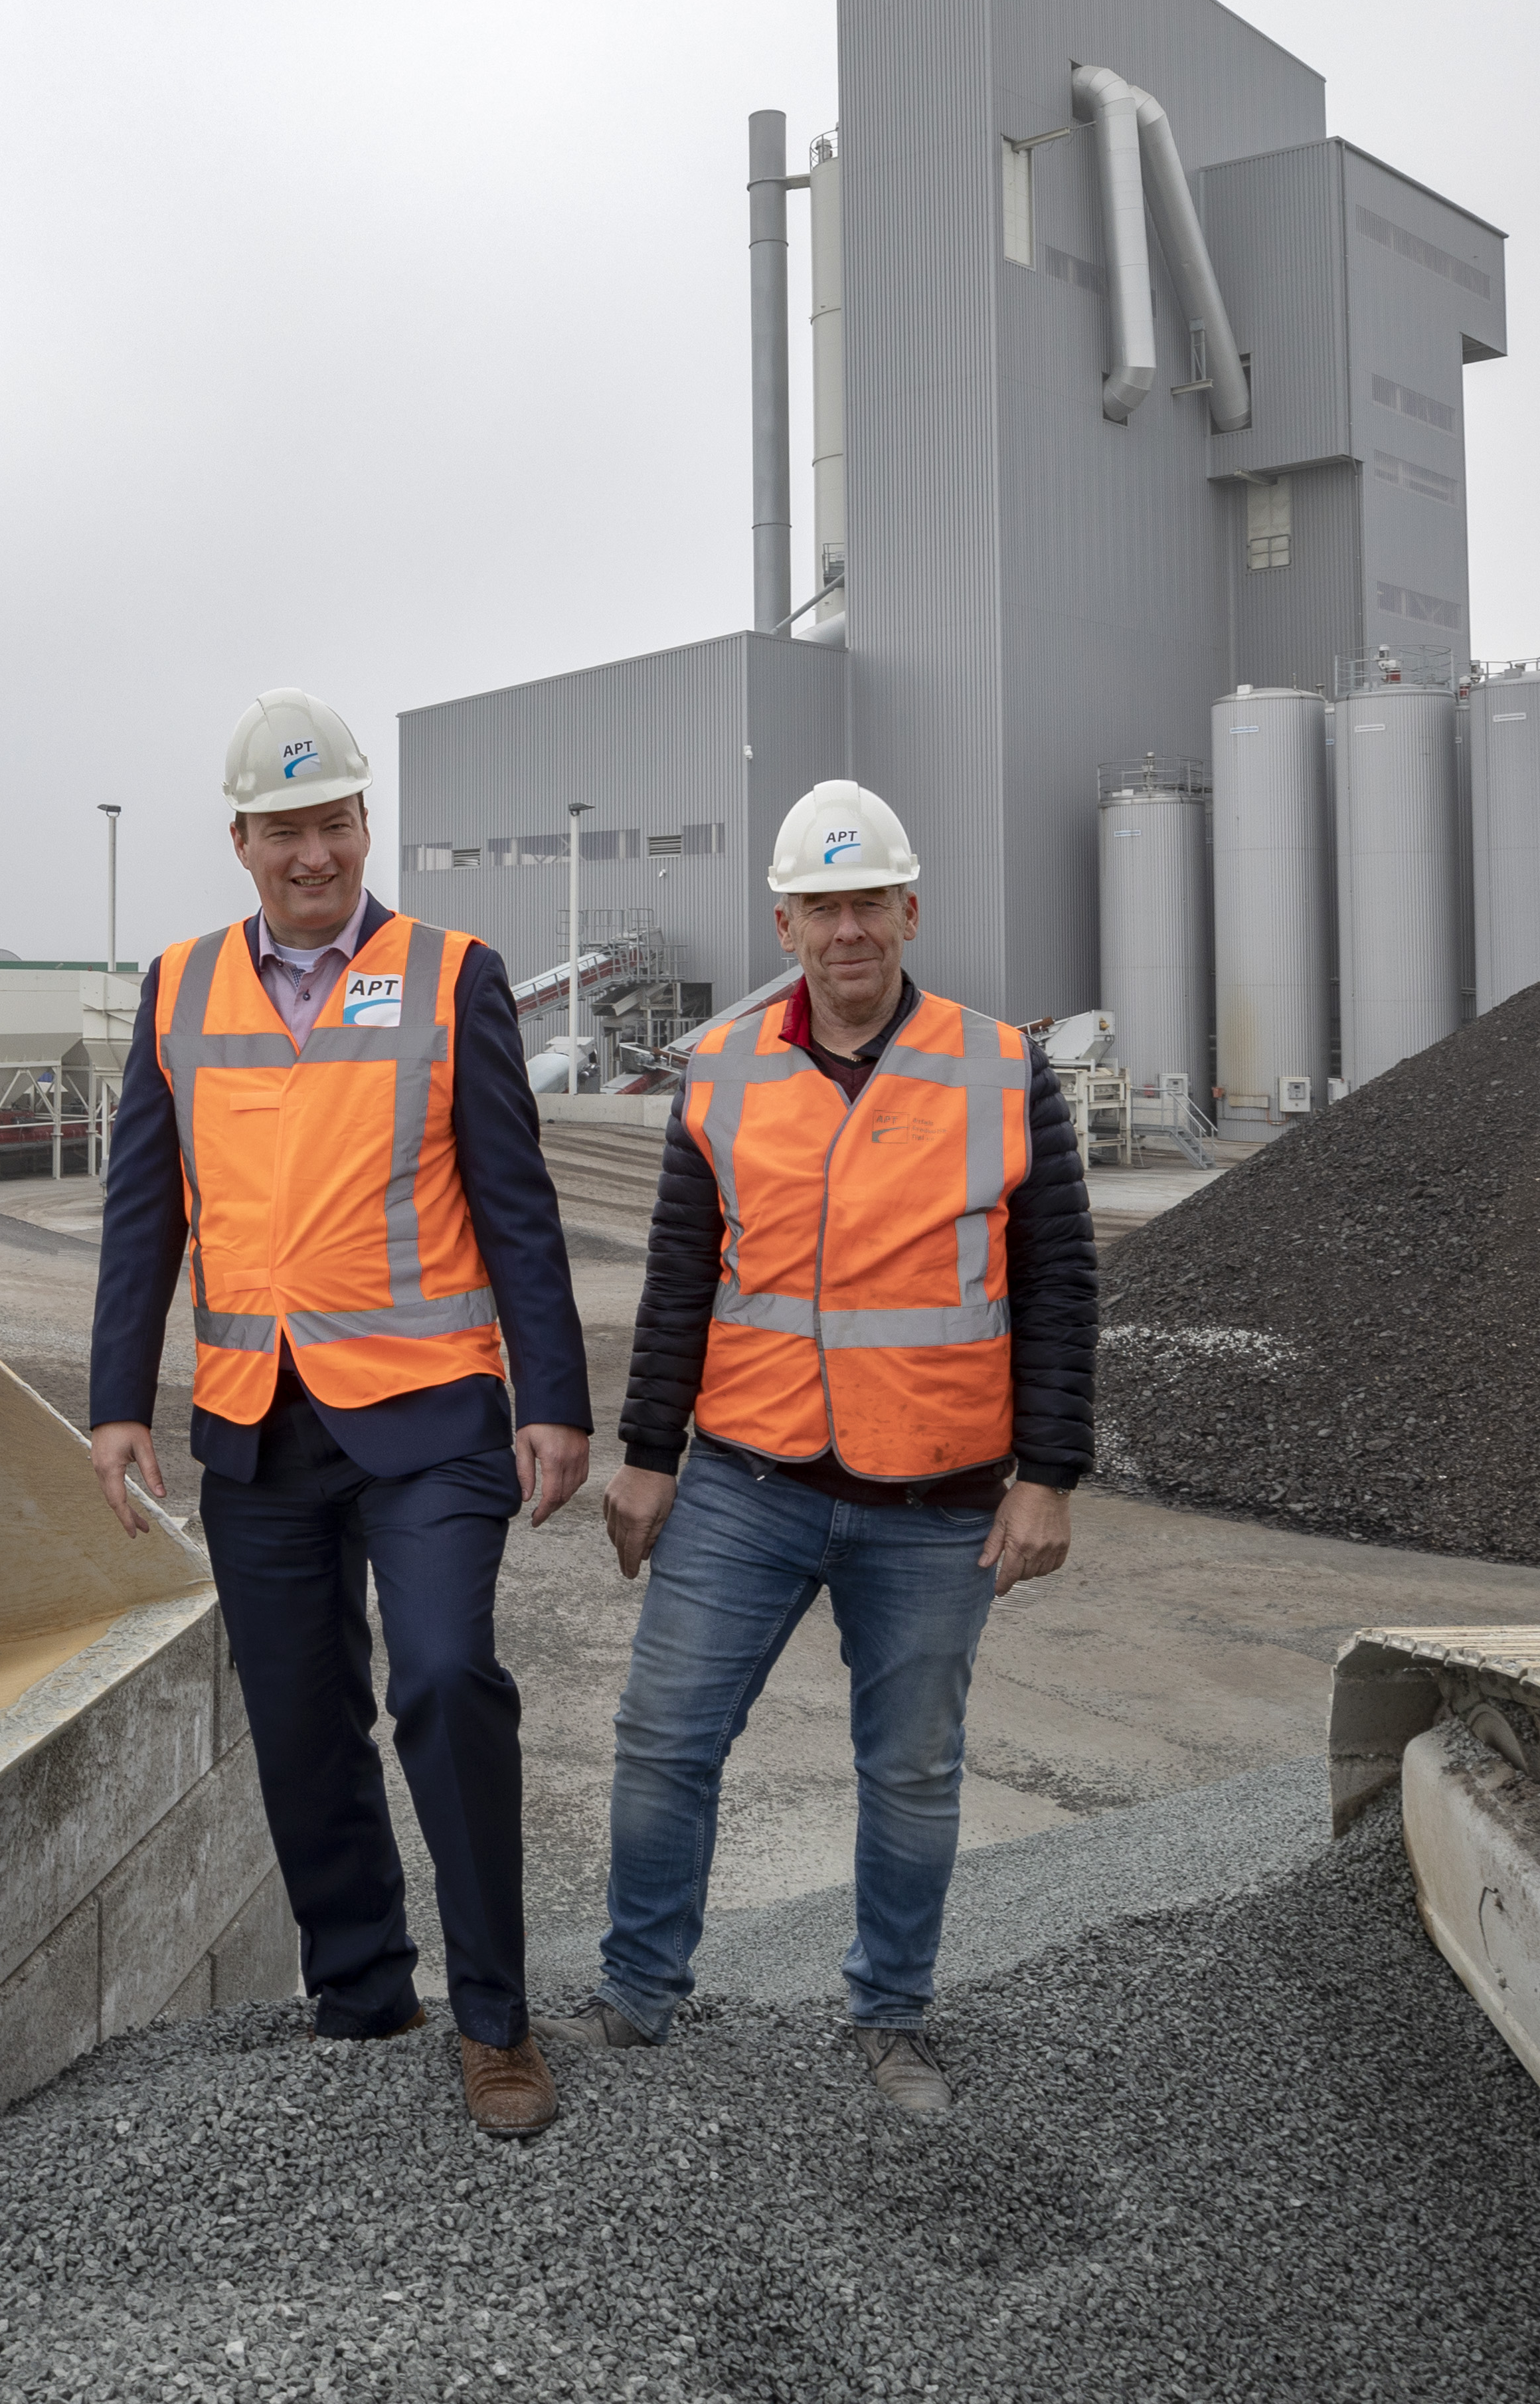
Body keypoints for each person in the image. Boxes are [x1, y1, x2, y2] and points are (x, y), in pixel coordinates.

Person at [84, 687, 594, 2137]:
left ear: (367, 824)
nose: (315, 852)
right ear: (240, 837)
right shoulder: (179, 987)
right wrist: (118, 1399)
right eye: (287, 828)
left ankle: (496, 2017)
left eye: (338, 822)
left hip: (430, 1415)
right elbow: (144, 1214)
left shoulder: (452, 974)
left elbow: (517, 1204)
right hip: (256, 1423)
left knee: (440, 1678)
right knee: (303, 1724)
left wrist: (551, 1395)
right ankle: (364, 1992)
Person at [554, 778, 1096, 2112]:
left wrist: (1051, 1472)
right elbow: (682, 1276)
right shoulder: (725, 1072)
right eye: (822, 908)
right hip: (747, 1477)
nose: (848, 930)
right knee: (665, 1737)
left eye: (870, 903)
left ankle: (892, 2012)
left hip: (937, 1498)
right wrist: (647, 1450)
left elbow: (1062, 1282)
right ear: (784, 923)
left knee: (909, 1768)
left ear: (910, 909)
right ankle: (638, 1994)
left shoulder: (1001, 1064)